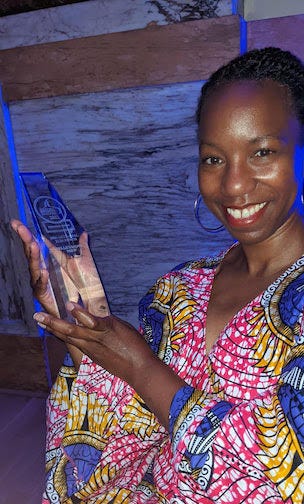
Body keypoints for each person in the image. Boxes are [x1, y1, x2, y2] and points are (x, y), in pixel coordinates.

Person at [12, 46, 304, 503]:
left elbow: (285, 476)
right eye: (213, 158)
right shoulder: (179, 289)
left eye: (262, 152)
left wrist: (140, 366)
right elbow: (132, 430)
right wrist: (86, 332)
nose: (233, 185)